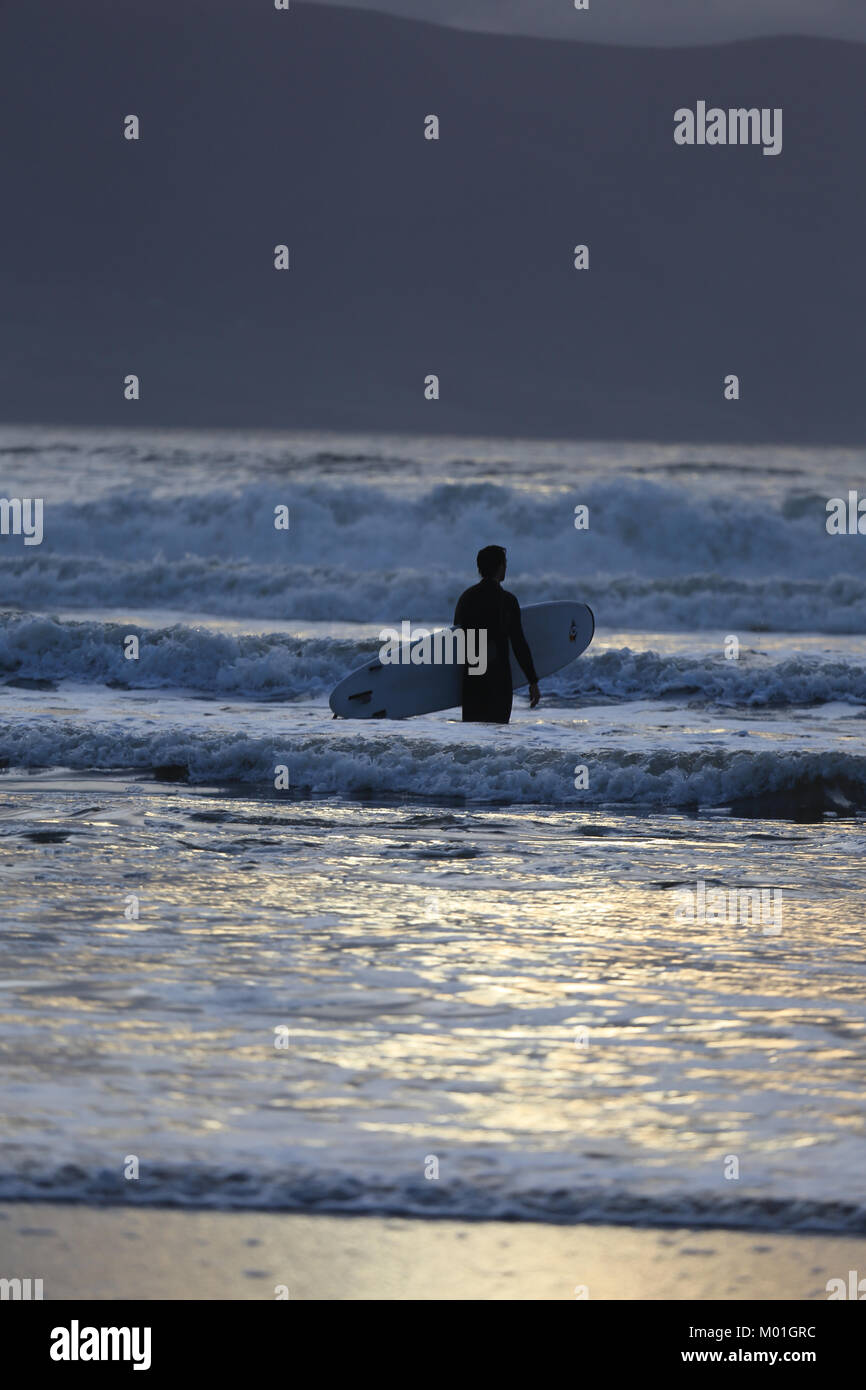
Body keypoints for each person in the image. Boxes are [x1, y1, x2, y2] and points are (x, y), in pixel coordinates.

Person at [453, 545, 540, 723]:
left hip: (472, 680)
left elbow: (456, 639)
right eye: (505, 563)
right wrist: (533, 681)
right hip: (498, 680)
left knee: (472, 741)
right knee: (497, 739)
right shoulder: (507, 600)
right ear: (500, 566)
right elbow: (518, 643)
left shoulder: (466, 598)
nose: (506, 567)